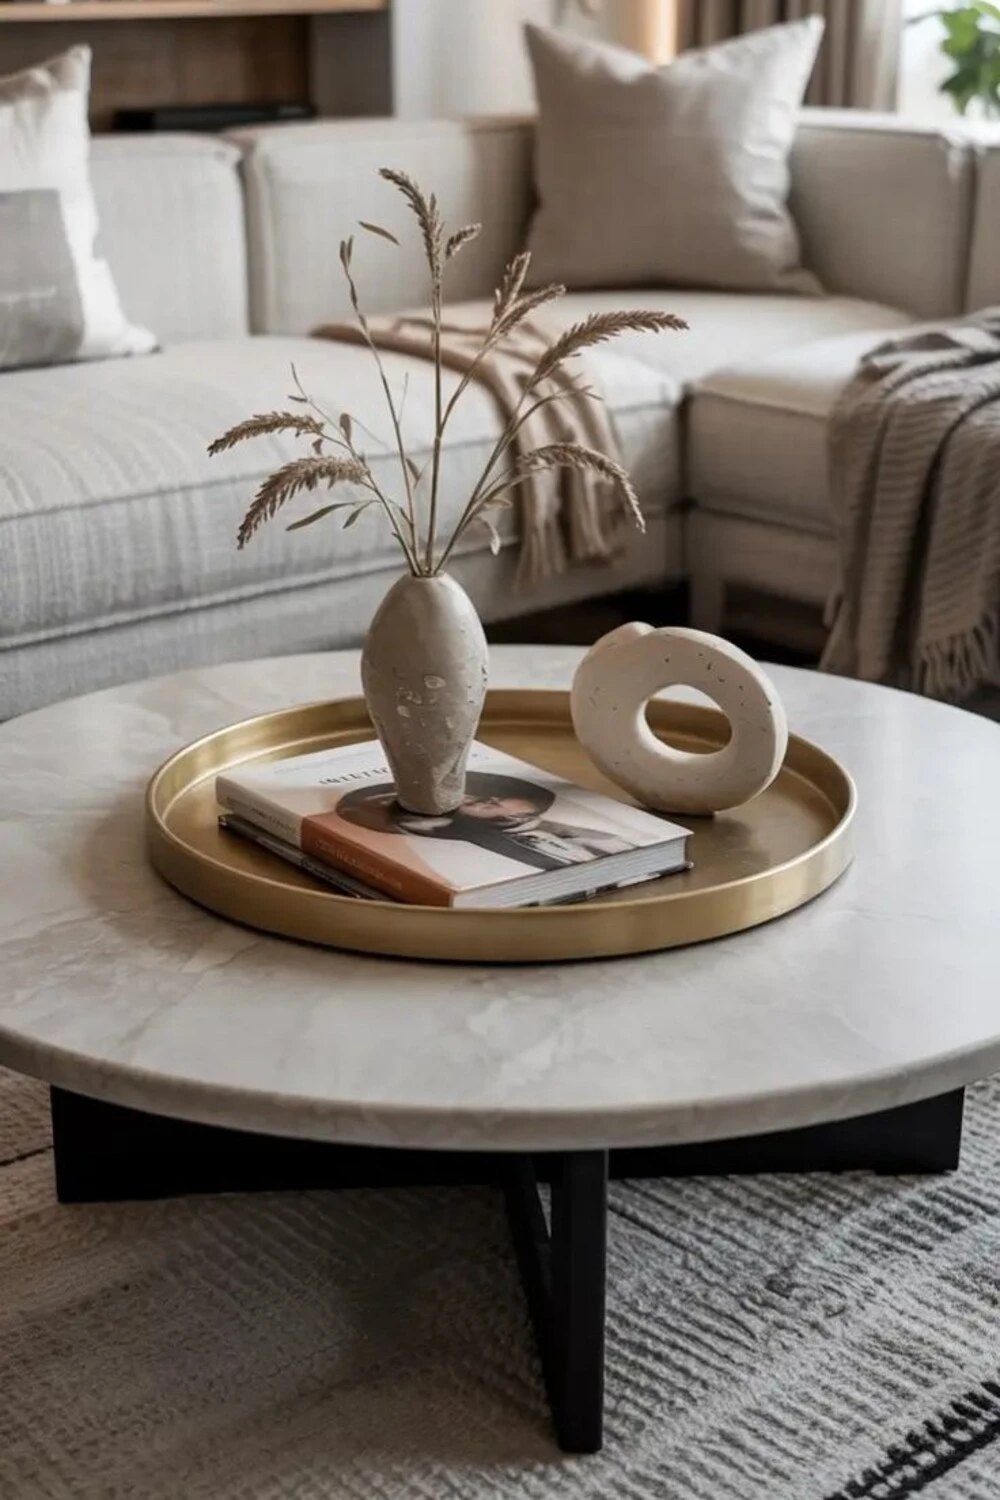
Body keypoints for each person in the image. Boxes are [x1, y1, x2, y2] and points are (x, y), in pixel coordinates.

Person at [337, 772, 636, 872]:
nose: (490, 801)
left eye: (477, 798)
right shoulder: (485, 853)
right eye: (471, 803)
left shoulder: (597, 831)